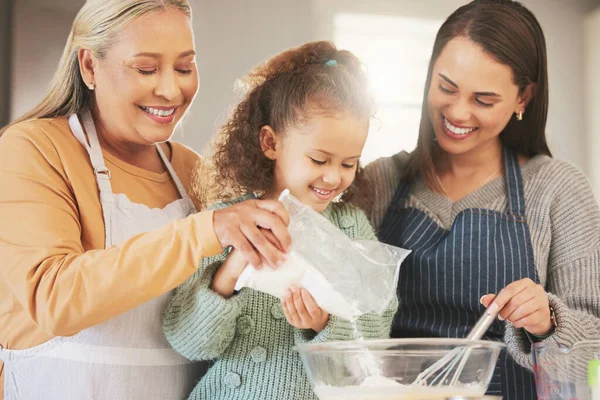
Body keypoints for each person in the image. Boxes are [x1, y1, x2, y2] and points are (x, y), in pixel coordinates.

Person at [0, 1, 291, 399]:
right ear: (89, 66)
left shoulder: (195, 173)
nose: (172, 89)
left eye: (185, 68)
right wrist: (203, 231)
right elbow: (56, 301)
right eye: (146, 69)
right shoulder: (34, 149)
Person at [363, 0, 600, 399]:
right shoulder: (379, 182)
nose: (456, 112)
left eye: (483, 100)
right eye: (446, 87)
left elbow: (594, 351)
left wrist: (548, 320)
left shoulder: (557, 188)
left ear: (523, 97)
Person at [163, 41, 397, 400]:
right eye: (319, 160)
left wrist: (322, 324)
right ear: (271, 143)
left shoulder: (351, 228)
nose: (334, 178)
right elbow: (186, 341)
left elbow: (371, 349)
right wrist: (230, 273)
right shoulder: (225, 221)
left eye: (348, 163)